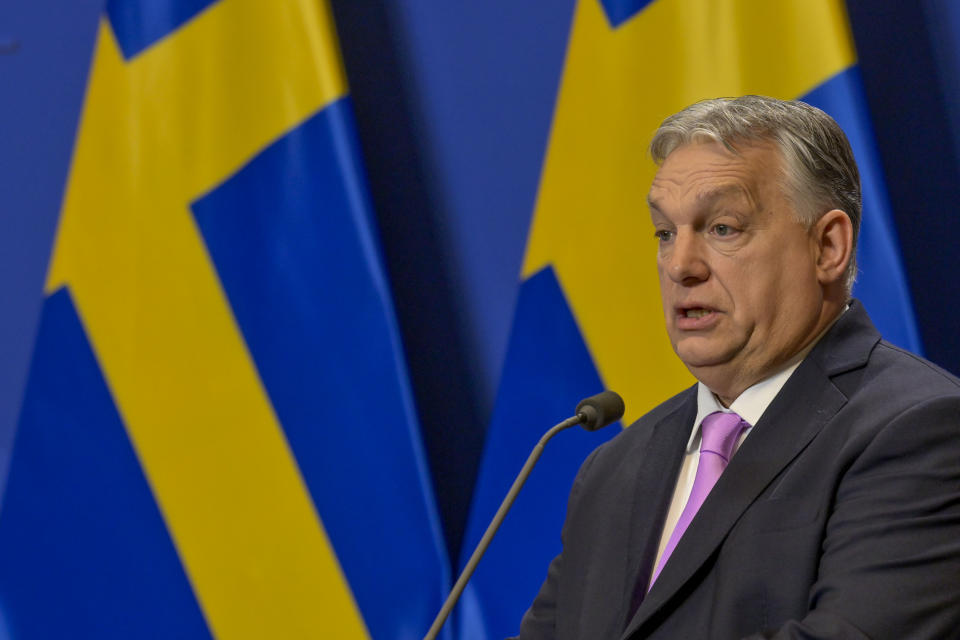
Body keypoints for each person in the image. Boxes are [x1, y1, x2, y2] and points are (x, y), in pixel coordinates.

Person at [515, 95, 960, 639]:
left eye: (723, 228)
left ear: (828, 246)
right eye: (664, 233)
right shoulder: (614, 470)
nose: (680, 265)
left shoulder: (921, 430)